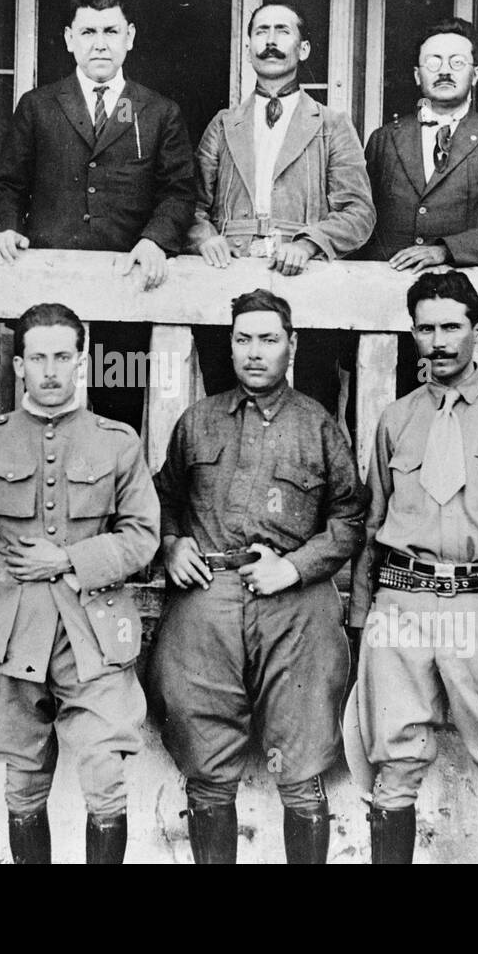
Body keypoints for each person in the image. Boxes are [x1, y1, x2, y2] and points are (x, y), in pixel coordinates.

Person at [350, 270, 478, 864]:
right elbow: (373, 526)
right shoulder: (396, 419)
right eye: (425, 328)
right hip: (402, 606)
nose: (438, 341)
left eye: (451, 326)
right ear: (412, 334)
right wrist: (365, 620)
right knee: (393, 769)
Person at [150, 289, 367, 863]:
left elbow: (351, 519)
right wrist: (171, 544)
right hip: (205, 598)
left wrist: (294, 568)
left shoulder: (318, 425)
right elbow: (163, 497)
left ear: (291, 346)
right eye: (243, 339)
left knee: (300, 764)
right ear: (230, 344)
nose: (254, 353)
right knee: (206, 765)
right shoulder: (197, 420)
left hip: (294, 605)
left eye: (269, 339)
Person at [0, 303, 160, 864]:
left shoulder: (118, 442)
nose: (49, 371)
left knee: (105, 780)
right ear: (17, 365)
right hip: (11, 637)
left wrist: (65, 559)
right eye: (36, 357)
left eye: (62, 357)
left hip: (94, 634)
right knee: (23, 784)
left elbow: (142, 538)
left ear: (82, 362)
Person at [0, 0, 195, 428]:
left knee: (119, 418)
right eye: (88, 32)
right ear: (69, 39)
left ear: (130, 36)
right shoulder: (38, 106)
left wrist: (156, 240)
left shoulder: (158, 112)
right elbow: (6, 183)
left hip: (127, 295)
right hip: (50, 291)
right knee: (45, 411)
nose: (100, 43)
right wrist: (5, 227)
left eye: (110, 31)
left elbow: (178, 191)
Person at [189, 1, 374, 414]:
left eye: (283, 32)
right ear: (248, 46)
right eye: (261, 32)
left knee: (311, 407)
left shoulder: (331, 124)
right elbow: (190, 205)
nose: (271, 42)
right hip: (230, 283)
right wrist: (205, 237)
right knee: (225, 406)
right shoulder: (223, 124)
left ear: (303, 49)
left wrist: (310, 243)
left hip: (307, 284)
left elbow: (359, 211)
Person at [358, 18, 478, 397]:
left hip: (461, 328)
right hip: (389, 322)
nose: (444, 70)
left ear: (475, 74)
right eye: (433, 61)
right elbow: (361, 224)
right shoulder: (383, 140)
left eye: (457, 63)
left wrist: (446, 250)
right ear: (416, 74)